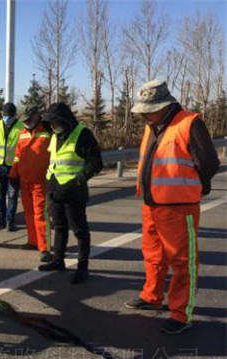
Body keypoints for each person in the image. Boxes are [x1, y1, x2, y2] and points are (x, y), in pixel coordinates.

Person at [124, 80, 219, 334]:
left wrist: (197, 187)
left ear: (163, 106)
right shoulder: (152, 126)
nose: (143, 114)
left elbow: (209, 162)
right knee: (153, 254)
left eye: (148, 109)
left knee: (182, 261)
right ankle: (151, 296)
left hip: (179, 207)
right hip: (151, 203)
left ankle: (180, 312)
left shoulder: (189, 123)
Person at [38, 103, 103, 284]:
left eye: (54, 123)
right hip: (55, 190)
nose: (51, 126)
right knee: (59, 227)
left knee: (79, 230)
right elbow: (55, 163)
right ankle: (58, 260)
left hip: (74, 191)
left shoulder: (82, 134)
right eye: (49, 123)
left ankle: (82, 267)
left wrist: (78, 180)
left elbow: (95, 162)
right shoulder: (55, 136)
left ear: (63, 121)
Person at [9, 106, 52, 262]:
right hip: (24, 180)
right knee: (29, 213)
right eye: (25, 120)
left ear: (37, 117)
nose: (26, 122)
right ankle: (33, 241)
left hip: (41, 182)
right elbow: (18, 155)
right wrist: (13, 173)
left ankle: (45, 248)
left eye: (29, 119)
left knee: (41, 215)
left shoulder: (48, 133)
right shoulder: (22, 134)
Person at [0, 102, 23, 231]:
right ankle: (2, 219)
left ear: (15, 116)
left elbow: (23, 147)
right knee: (0, 194)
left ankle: (10, 221)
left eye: (10, 116)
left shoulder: (21, 127)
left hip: (14, 166)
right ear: (1, 114)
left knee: (13, 194)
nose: (7, 118)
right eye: (5, 115)